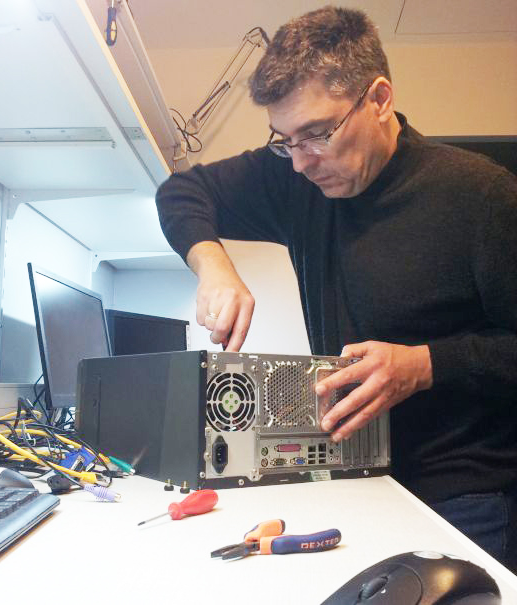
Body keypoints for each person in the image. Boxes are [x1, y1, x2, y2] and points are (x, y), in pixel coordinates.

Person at [156, 6, 517, 569]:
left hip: (463, 500)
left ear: (379, 99)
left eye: (317, 134)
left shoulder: (483, 197)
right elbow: (180, 193)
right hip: (350, 482)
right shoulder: (296, 181)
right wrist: (214, 265)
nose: (300, 163)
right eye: (284, 140)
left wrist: (425, 364)